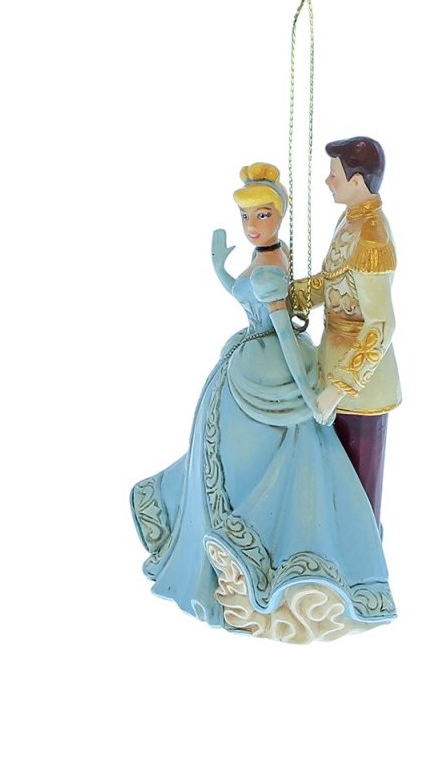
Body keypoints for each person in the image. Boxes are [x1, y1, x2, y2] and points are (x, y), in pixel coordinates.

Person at [130, 162, 395, 643]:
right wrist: (220, 268)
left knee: (270, 459)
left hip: (277, 364)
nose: (253, 226)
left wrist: (312, 390)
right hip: (252, 358)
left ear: (280, 215)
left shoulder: (292, 260)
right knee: (224, 454)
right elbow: (254, 292)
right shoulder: (278, 250)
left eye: (263, 216)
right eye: (246, 217)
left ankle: (281, 547)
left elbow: (286, 329)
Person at [293, 137, 400, 528]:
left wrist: (338, 389)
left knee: (357, 497)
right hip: (332, 366)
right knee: (330, 486)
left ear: (357, 182)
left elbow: (380, 325)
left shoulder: (371, 236)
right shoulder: (351, 221)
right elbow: (332, 282)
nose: (328, 181)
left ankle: (361, 557)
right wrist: (288, 298)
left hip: (360, 392)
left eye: (334, 174)